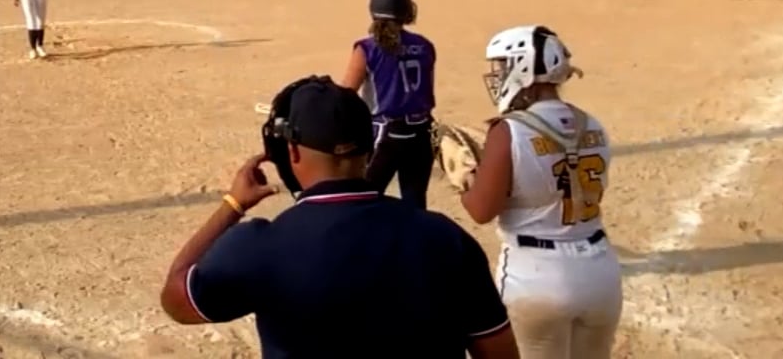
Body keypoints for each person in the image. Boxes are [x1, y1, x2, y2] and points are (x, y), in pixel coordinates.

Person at [160, 76, 516, 358]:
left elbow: (176, 299)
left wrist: (232, 205)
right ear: (370, 148)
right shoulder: (443, 237)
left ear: (292, 152)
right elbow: (499, 352)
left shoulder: (260, 246)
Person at [459, 26, 622, 358]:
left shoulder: (508, 130)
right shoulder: (592, 124)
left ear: (523, 67)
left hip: (536, 276)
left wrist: (464, 180)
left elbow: (481, 210)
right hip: (600, 271)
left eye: (504, 65)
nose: (499, 75)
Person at [334, 0, 436, 209]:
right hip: (422, 132)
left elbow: (346, 95)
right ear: (407, 11)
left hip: (386, 134)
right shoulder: (425, 45)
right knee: (415, 203)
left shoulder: (367, 48)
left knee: (363, 200)